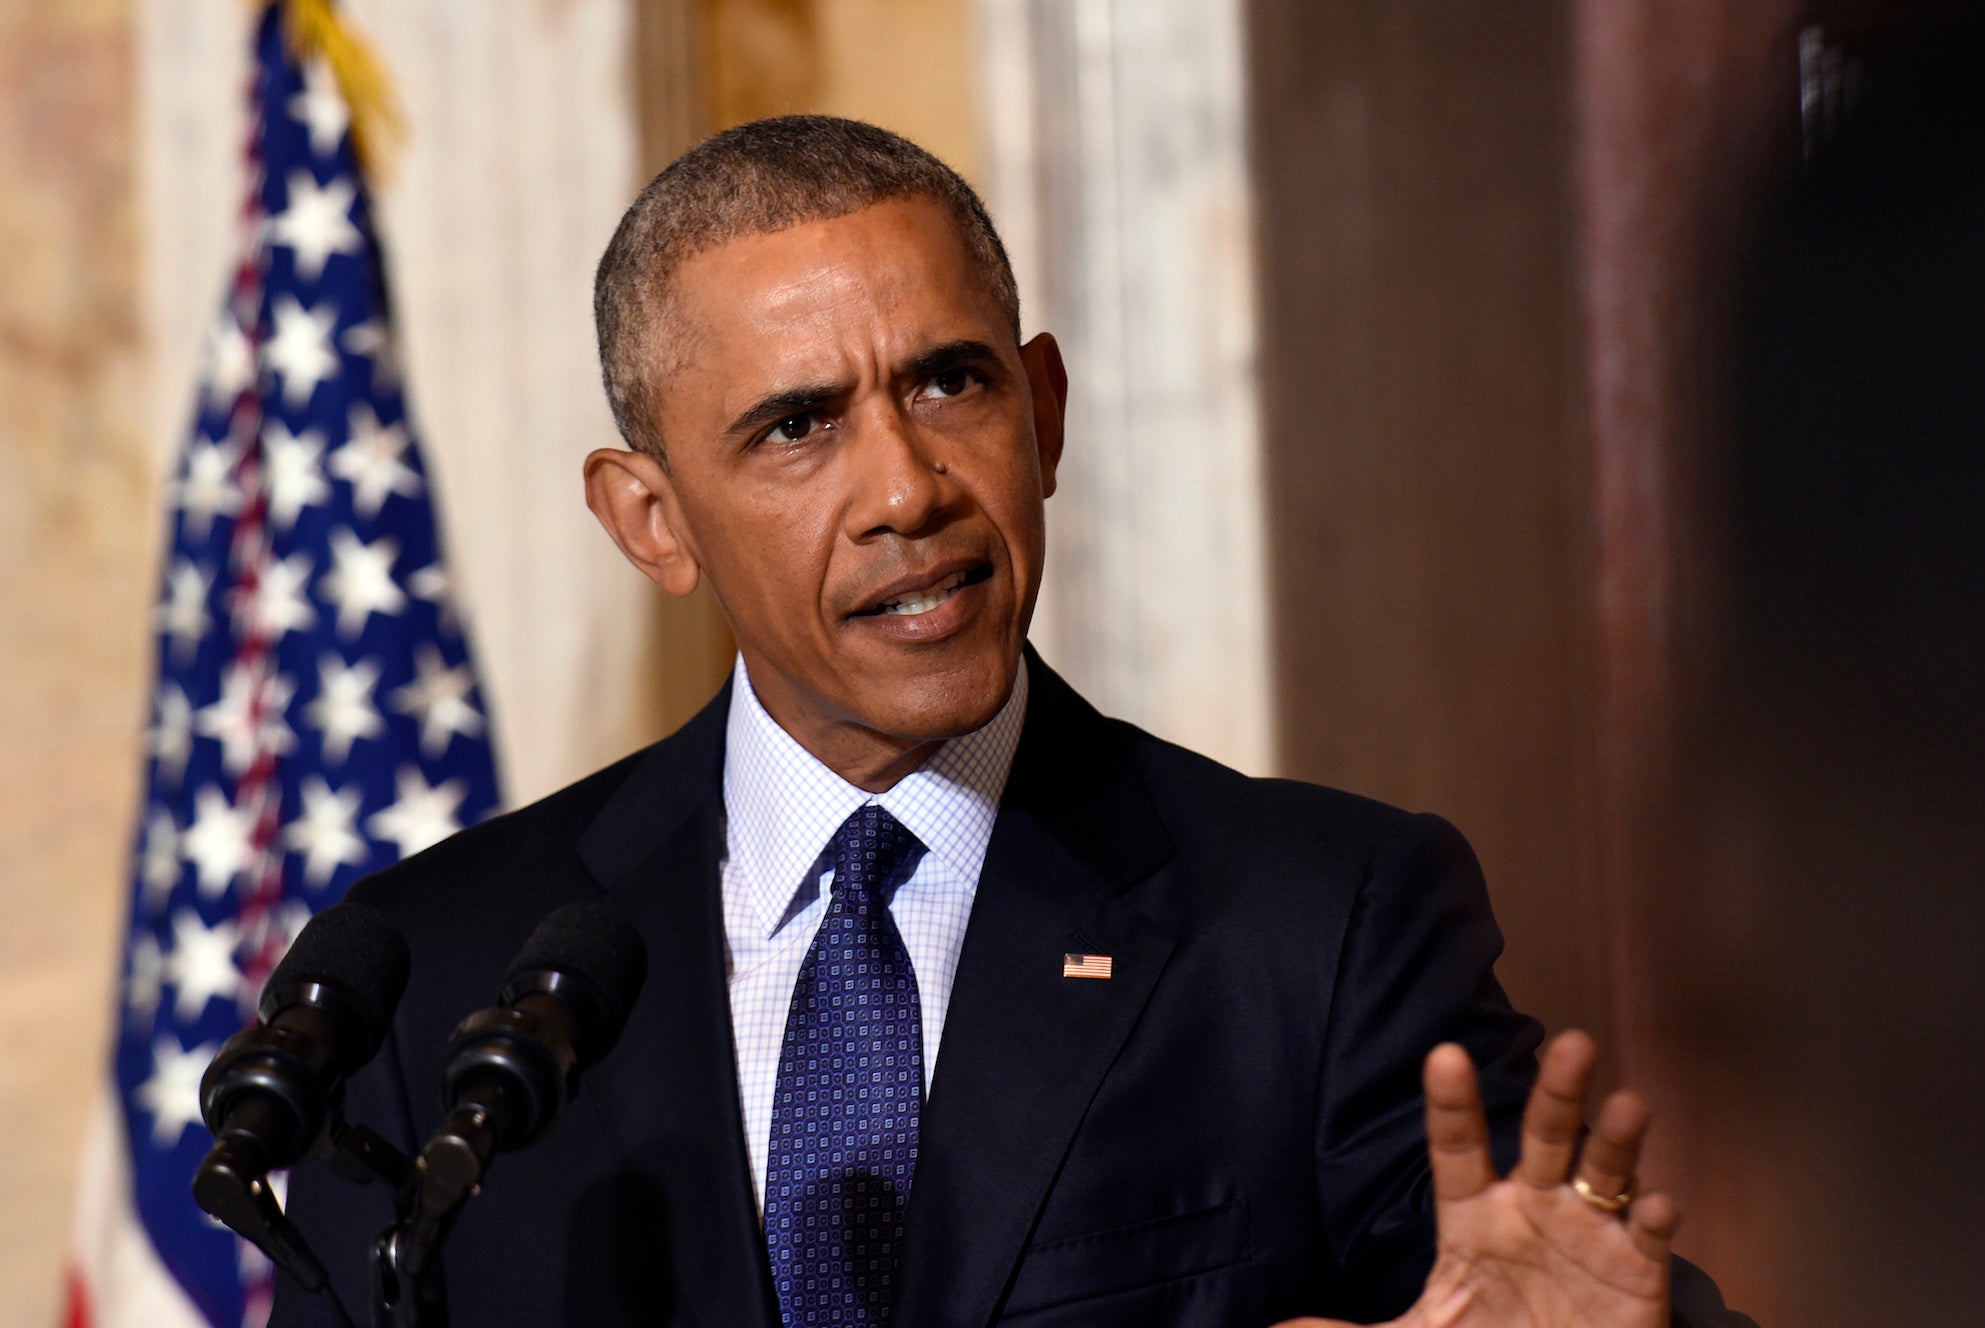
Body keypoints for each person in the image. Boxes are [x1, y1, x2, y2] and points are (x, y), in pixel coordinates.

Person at [272, 116, 1749, 1328]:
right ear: (651, 520)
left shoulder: (1318, 931)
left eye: (951, 382)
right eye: (799, 427)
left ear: (1042, 410)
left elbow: (1537, 1291)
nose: (909, 489)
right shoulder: (437, 989)